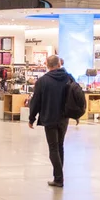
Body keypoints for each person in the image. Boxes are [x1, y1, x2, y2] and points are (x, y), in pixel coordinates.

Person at [29, 55, 70, 188]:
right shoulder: (68, 78)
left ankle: (58, 178)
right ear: (59, 64)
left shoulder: (42, 81)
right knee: (60, 146)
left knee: (53, 148)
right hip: (64, 118)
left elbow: (36, 101)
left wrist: (32, 118)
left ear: (47, 65)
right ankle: (58, 176)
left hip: (49, 117)